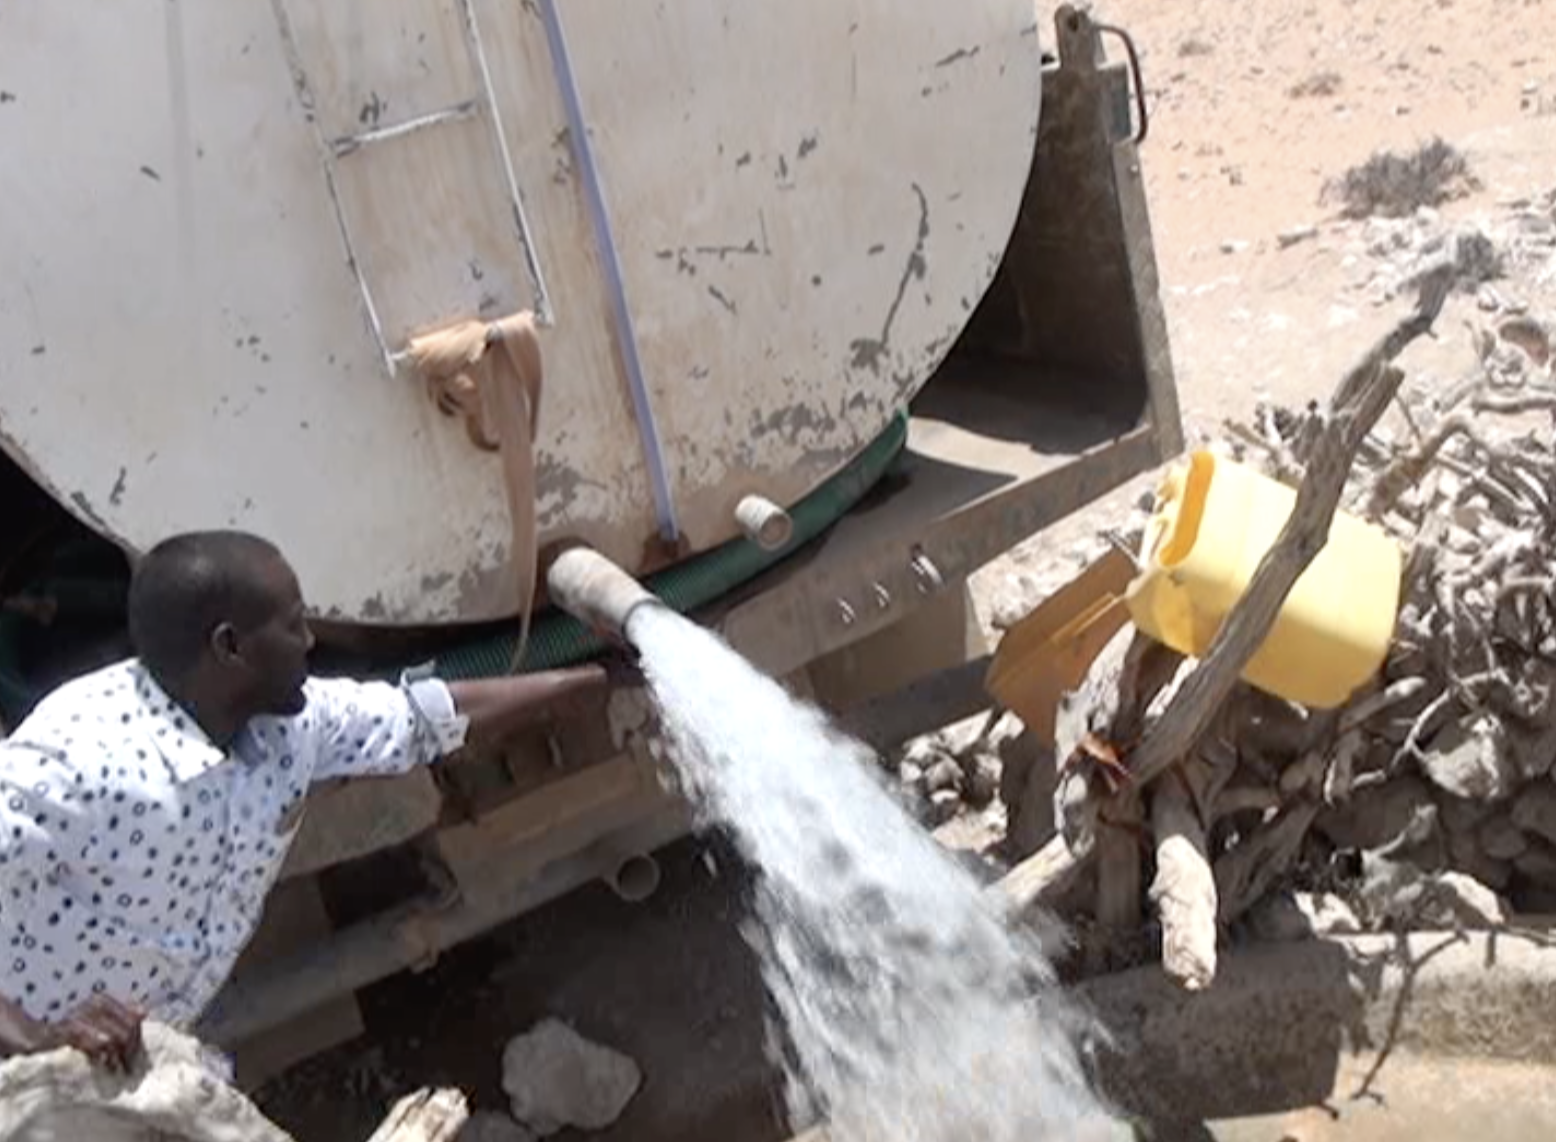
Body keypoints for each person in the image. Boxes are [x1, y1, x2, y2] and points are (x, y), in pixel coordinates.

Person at [0, 530, 626, 1072]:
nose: (308, 641)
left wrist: (591, 681)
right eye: (293, 623)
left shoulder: (285, 729)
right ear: (230, 647)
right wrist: (33, 1041)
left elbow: (414, 719)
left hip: (126, 1070)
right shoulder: (80, 763)